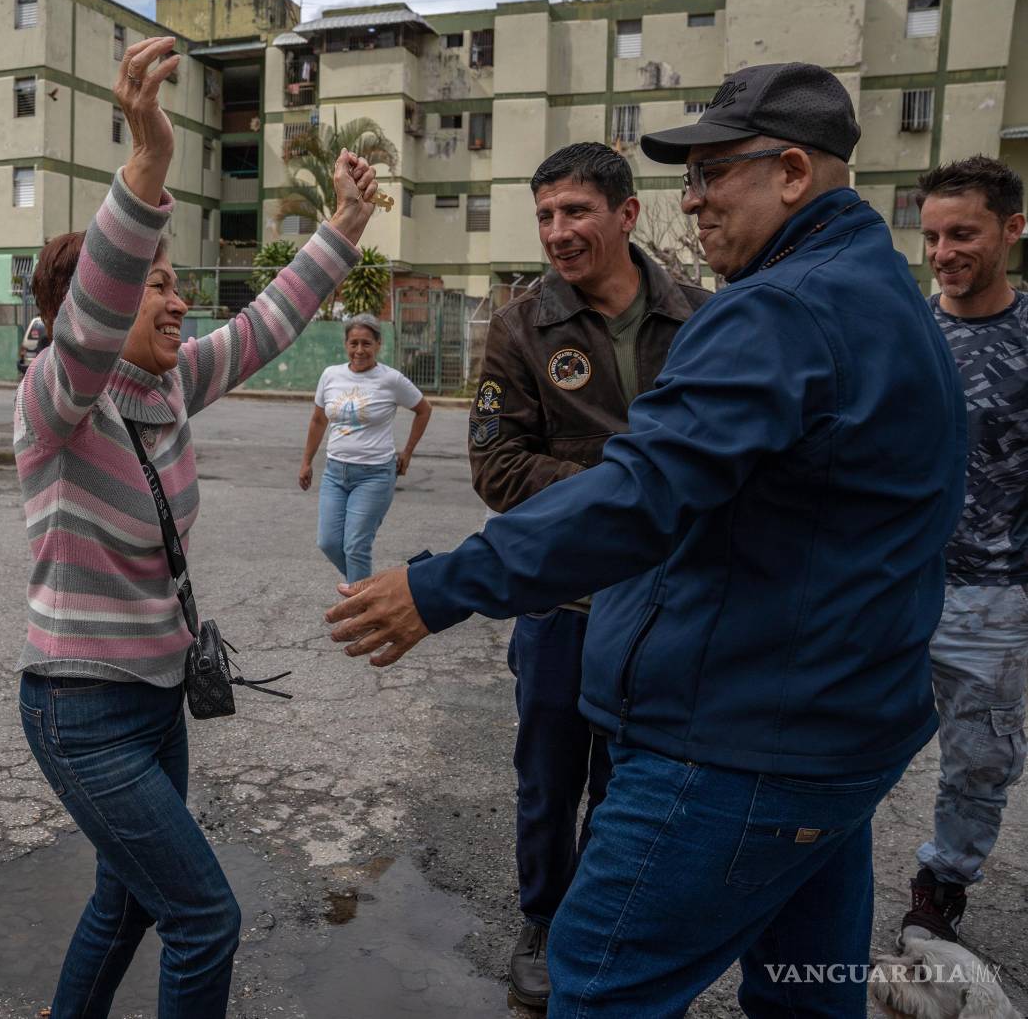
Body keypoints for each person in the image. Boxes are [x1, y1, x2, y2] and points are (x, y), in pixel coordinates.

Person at [324, 62, 966, 1017]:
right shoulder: (885, 296)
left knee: (597, 983)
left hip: (744, 739)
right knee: (804, 991)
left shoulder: (777, 308)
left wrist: (442, 585)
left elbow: (643, 491)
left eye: (712, 174)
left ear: (792, 171)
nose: (696, 202)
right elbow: (531, 466)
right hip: (833, 729)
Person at [14, 35, 378, 1019]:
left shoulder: (167, 389)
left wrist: (342, 225)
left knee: (129, 901)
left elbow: (268, 319)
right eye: (157, 283)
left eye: (176, 284)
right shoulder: (55, 407)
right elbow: (89, 329)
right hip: (78, 713)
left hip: (153, 700)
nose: (178, 299)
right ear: (94, 299)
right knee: (204, 917)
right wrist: (146, 165)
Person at [467, 142, 710, 1009]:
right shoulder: (519, 326)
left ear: (626, 214)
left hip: (671, 602)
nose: (558, 232)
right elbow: (496, 468)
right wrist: (627, 491)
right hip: (562, 601)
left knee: (635, 778)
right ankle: (544, 916)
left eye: (575, 212)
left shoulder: (705, 317)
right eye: (545, 215)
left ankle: (604, 923)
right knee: (549, 773)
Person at [899, 156, 1028, 944]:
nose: (943, 252)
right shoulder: (908, 329)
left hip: (996, 593)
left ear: (1012, 229)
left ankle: (941, 885)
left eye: (963, 233)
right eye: (933, 236)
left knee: (981, 759)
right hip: (898, 582)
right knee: (848, 731)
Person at [300, 313, 432, 584]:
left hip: (374, 475)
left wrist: (407, 452)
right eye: (354, 343)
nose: (359, 350)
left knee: (356, 547)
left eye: (366, 343)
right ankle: (369, 591)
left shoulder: (390, 379)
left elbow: (423, 409)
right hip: (335, 473)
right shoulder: (330, 375)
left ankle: (360, 612)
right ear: (346, 344)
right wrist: (306, 462)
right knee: (328, 542)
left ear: (378, 344)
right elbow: (318, 420)